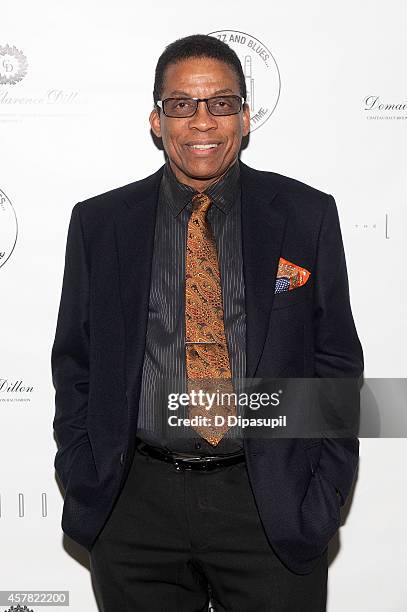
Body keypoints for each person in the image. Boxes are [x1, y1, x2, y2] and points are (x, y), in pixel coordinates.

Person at [51, 33, 364, 612]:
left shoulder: (305, 215)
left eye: (220, 104)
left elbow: (337, 361)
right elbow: (76, 362)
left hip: (269, 503)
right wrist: (83, 470)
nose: (202, 121)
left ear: (244, 118)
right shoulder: (100, 223)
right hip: (133, 508)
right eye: (182, 104)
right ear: (156, 118)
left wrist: (320, 491)